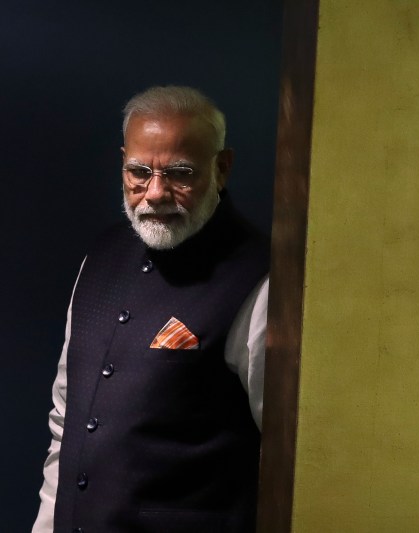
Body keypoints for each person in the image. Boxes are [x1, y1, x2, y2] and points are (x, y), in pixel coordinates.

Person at [32, 86, 270, 533]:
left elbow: (282, 453)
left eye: (180, 173)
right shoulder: (98, 258)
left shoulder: (260, 279)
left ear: (222, 168)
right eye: (139, 171)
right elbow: (67, 418)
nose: (155, 193)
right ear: (123, 162)